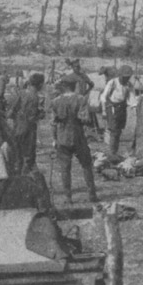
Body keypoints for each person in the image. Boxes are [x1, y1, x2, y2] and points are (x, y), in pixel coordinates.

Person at [51, 75, 98, 205]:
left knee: (65, 169)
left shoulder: (55, 101)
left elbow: (53, 123)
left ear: (63, 86)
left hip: (62, 138)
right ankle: (92, 195)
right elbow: (85, 119)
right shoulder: (81, 99)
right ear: (74, 85)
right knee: (86, 165)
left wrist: (54, 138)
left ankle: (68, 198)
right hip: (78, 137)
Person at [7, 73, 44, 174]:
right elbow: (33, 117)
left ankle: (16, 179)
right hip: (29, 130)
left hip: (17, 128)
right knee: (28, 158)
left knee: (17, 157)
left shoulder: (21, 93)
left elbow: (11, 112)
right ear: (40, 85)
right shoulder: (37, 98)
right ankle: (24, 180)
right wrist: (40, 115)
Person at [101, 65, 134, 155]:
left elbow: (132, 99)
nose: (126, 79)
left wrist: (136, 104)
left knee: (119, 131)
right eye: (125, 77)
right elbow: (103, 97)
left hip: (122, 109)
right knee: (113, 130)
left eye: (128, 77)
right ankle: (111, 152)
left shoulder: (129, 85)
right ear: (120, 75)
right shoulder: (113, 82)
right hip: (112, 107)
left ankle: (114, 151)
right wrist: (104, 111)